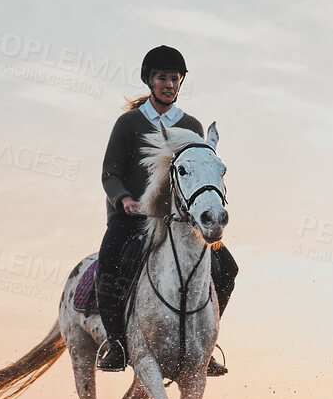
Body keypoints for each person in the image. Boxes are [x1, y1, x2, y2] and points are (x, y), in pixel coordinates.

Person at [95, 45, 237, 373]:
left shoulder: (190, 124)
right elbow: (109, 173)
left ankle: (205, 342)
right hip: (133, 218)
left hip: (179, 221)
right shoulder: (128, 123)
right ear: (149, 81)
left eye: (175, 78)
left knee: (228, 267)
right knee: (110, 260)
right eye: (162, 78)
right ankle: (116, 342)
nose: (169, 84)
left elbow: (197, 170)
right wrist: (124, 199)